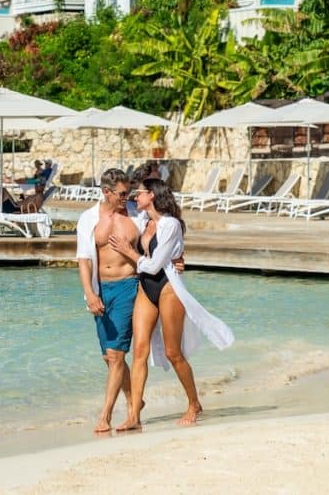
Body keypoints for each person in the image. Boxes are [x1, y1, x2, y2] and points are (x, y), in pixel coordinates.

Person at [108, 178, 234, 430]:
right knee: (139, 352)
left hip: (167, 287)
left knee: (172, 353)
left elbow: (155, 264)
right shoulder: (143, 222)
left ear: (152, 195)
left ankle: (194, 403)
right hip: (146, 286)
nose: (135, 197)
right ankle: (134, 415)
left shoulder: (171, 225)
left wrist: (129, 252)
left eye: (140, 193)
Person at [75, 168, 147, 433]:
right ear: (106, 192)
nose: (126, 198)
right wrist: (90, 294)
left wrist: (175, 258)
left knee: (117, 355)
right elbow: (83, 259)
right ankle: (134, 403)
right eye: (121, 194)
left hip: (129, 285)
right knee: (109, 357)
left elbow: (163, 231)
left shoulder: (137, 215)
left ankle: (104, 416)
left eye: (128, 193)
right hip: (101, 289)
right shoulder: (88, 218)